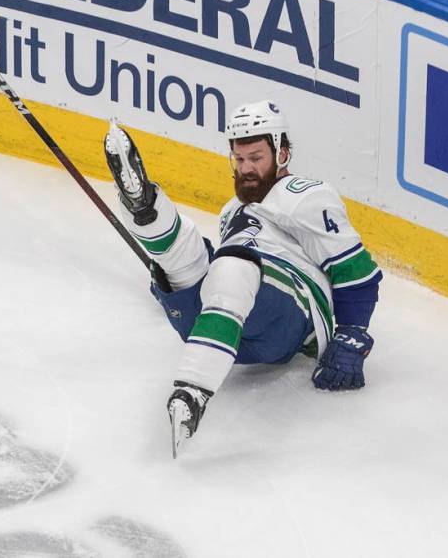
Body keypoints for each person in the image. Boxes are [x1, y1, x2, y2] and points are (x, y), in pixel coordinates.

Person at [103, 101, 383, 457]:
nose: (246, 168)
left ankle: (191, 392)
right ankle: (146, 209)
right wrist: (173, 284)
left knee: (233, 263)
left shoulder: (306, 195)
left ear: (282, 153)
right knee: (188, 258)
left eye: (256, 158)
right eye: (239, 159)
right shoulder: (231, 212)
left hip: (290, 317)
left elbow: (354, 269)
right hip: (235, 322)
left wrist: (353, 332)